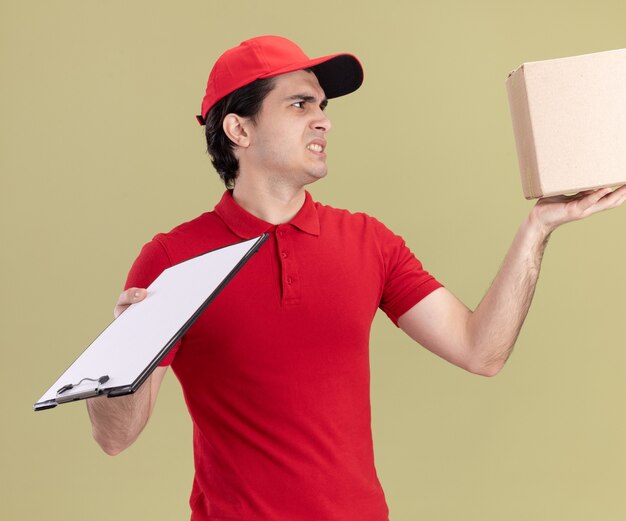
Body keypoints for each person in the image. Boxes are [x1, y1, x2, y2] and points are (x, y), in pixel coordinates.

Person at [85, 36, 626, 520]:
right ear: (238, 128)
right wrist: (124, 351)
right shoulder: (172, 259)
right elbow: (116, 437)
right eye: (299, 104)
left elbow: (480, 351)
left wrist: (538, 227)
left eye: (321, 106)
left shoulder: (368, 242)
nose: (323, 119)